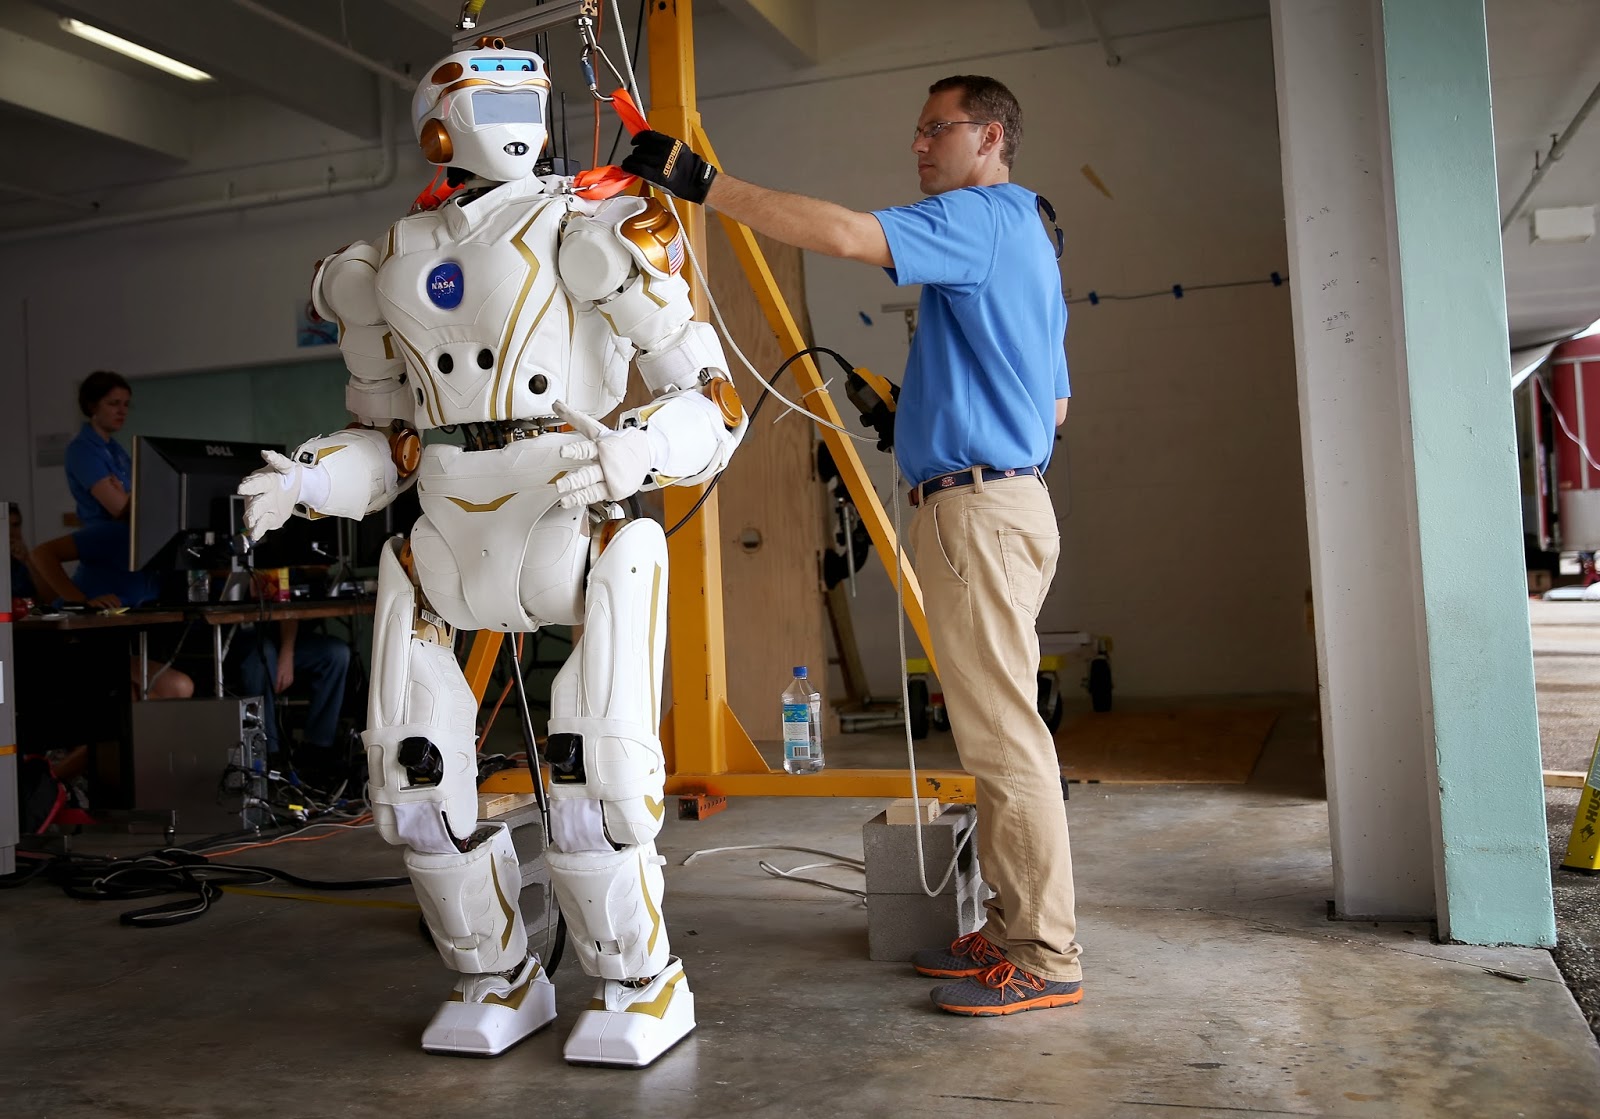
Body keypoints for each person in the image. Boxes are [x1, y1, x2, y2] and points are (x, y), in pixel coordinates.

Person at [621, 75, 1081, 1017]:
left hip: (979, 511)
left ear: (991, 135)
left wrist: (703, 183)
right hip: (1001, 500)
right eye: (915, 131)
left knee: (1005, 742)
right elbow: (1056, 403)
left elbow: (841, 234)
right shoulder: (1029, 236)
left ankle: (1044, 952)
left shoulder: (982, 214)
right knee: (995, 735)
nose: (918, 146)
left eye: (936, 129)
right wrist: (934, 418)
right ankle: (1010, 928)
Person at [57, 371, 159, 608]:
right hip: (103, 544)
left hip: (129, 548)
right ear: (92, 405)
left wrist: (128, 498)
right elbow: (119, 508)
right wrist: (127, 499)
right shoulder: (82, 449)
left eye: (125, 404)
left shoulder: (116, 449)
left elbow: (139, 501)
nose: (122, 411)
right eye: (113, 404)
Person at [229, 618, 351, 776]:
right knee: (265, 654)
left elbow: (288, 610)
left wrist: (287, 652)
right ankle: (271, 754)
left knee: (337, 653)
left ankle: (318, 748)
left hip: (284, 638)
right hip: (243, 638)